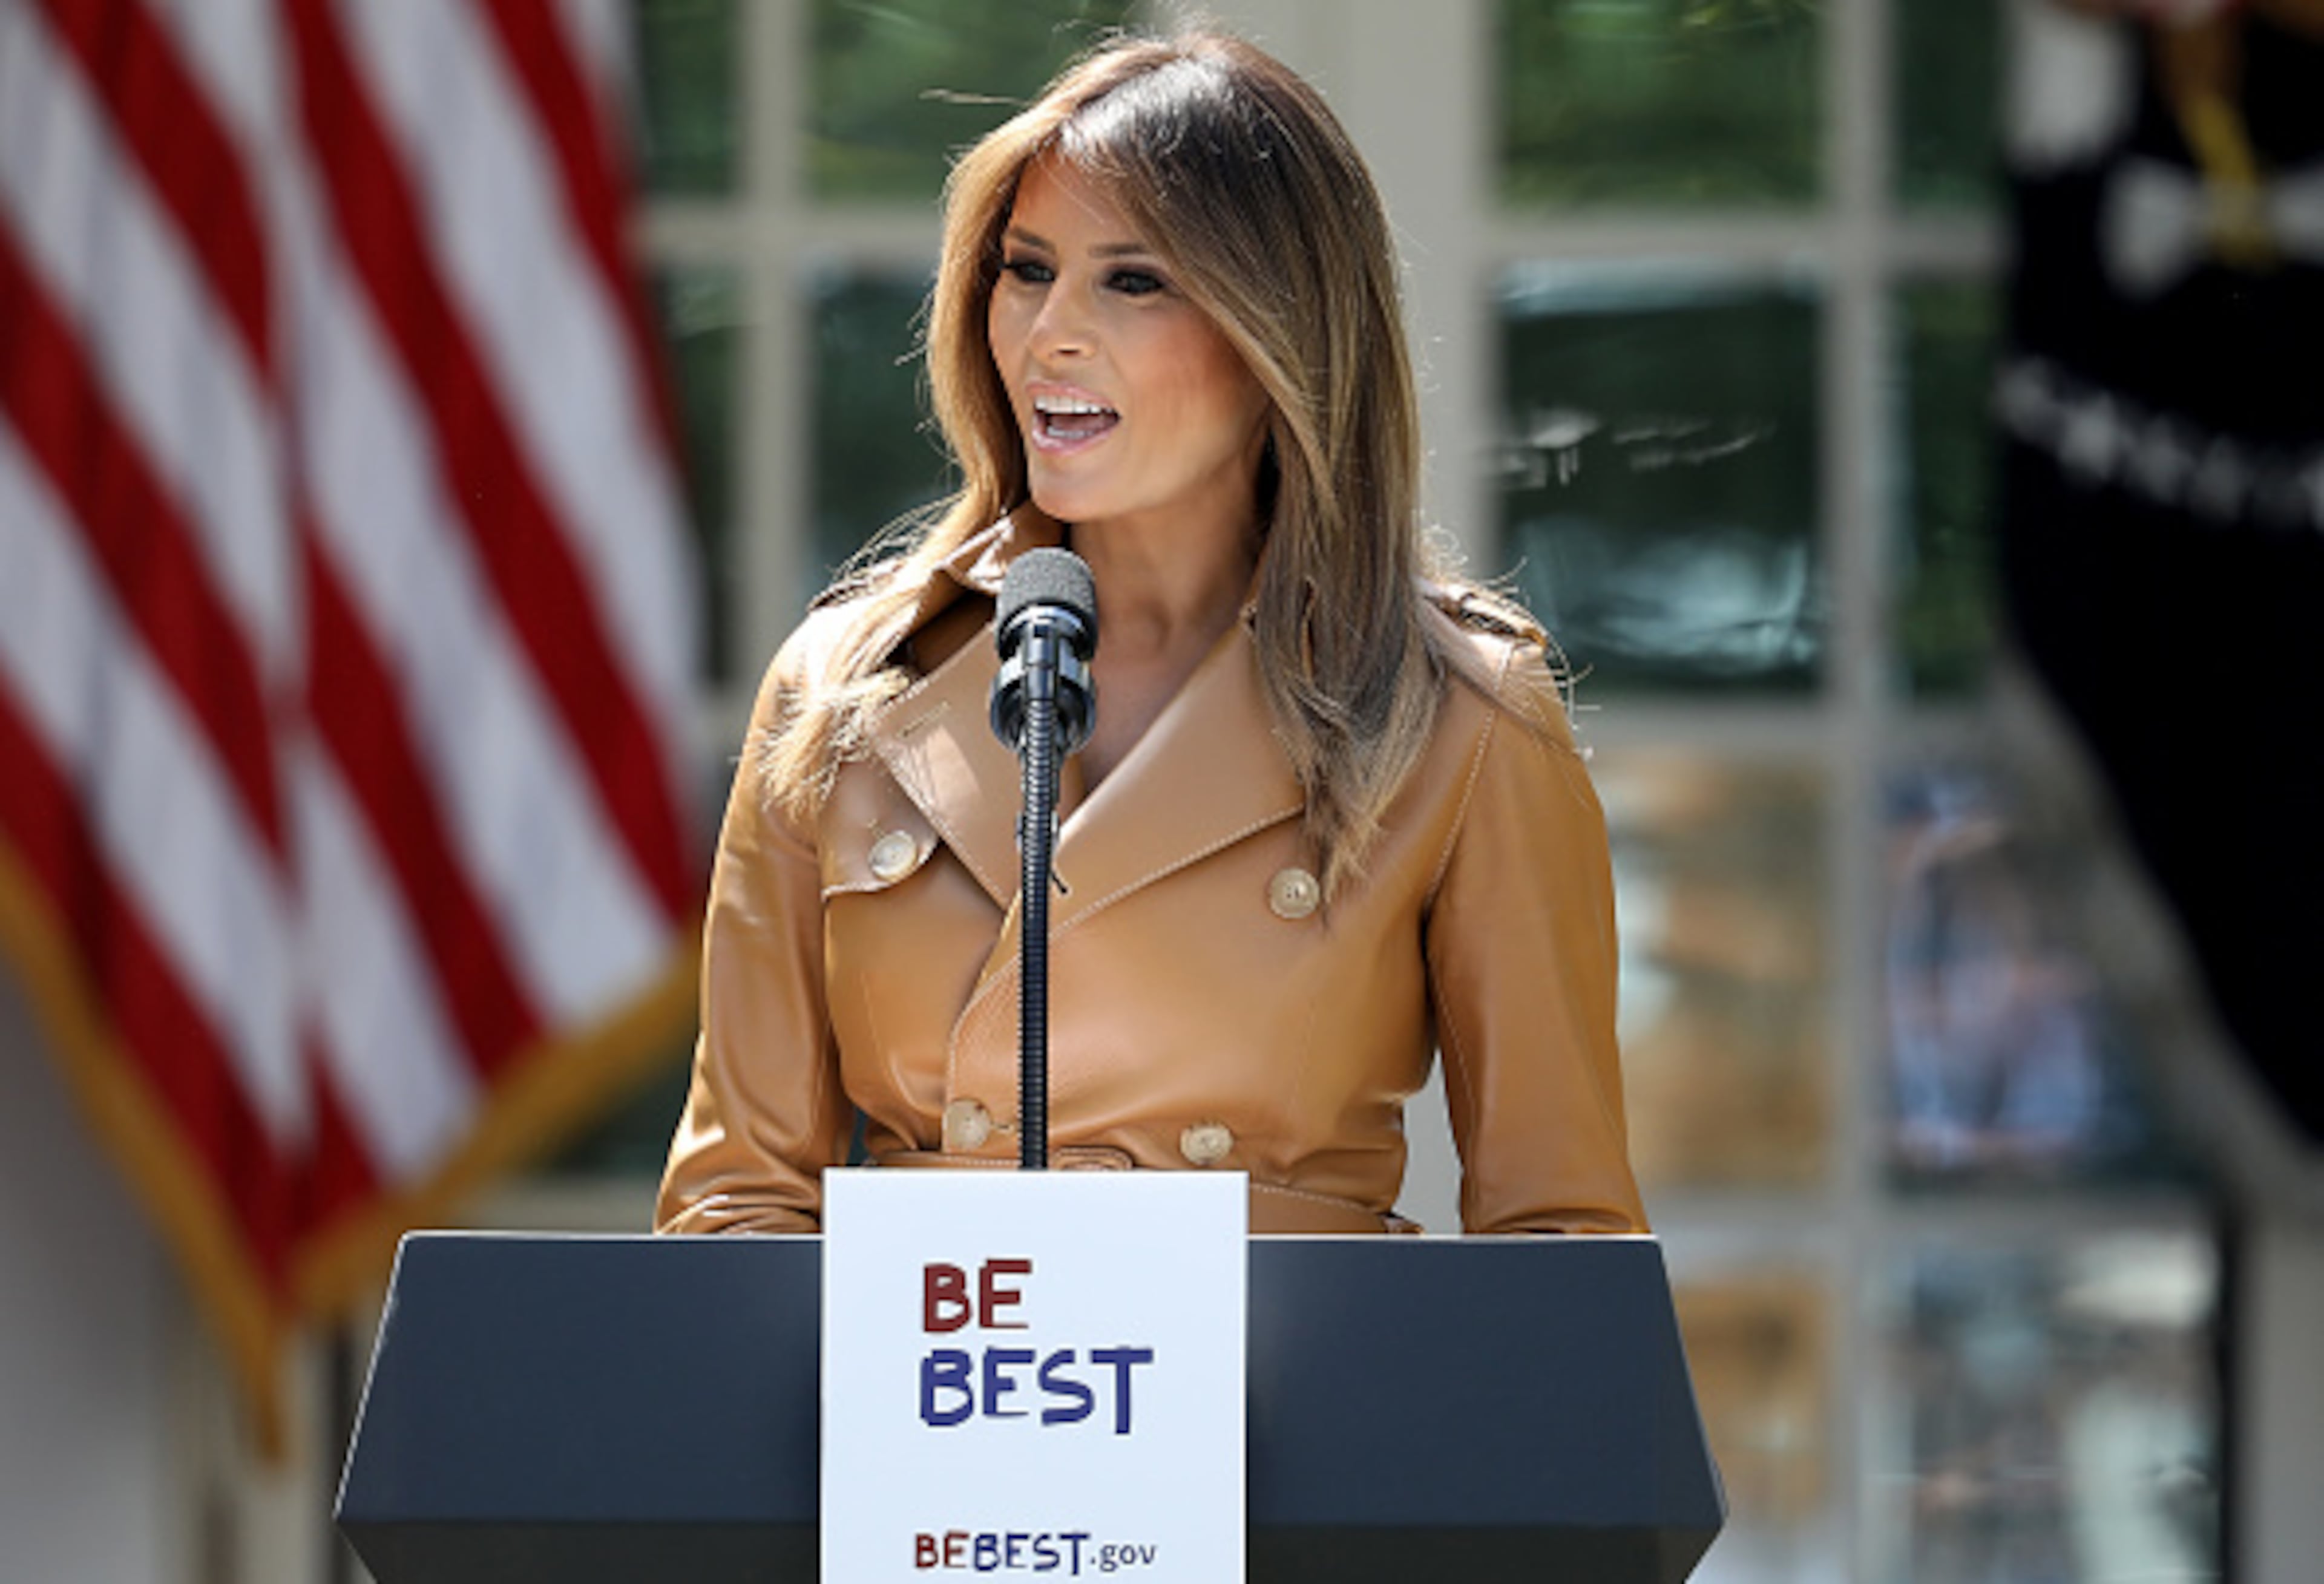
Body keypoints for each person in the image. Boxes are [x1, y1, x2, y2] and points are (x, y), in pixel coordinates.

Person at [656, 28, 1646, 1237]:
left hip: (1292, 1411)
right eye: (1026, 270)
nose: (1046, 335)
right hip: (920, 1406)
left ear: (1280, 330)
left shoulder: (1465, 714)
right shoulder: (847, 685)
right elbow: (735, 1205)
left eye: (1133, 280)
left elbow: (1561, 1250)